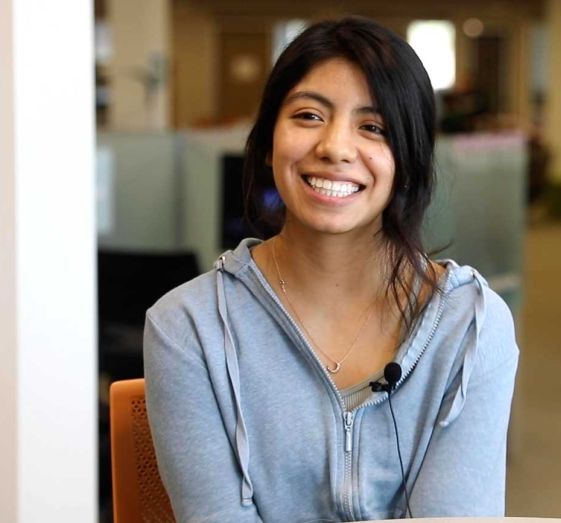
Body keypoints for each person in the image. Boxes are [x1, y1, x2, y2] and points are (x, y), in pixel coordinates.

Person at [144, 17, 519, 522]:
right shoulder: (190, 327)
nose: (336, 148)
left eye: (373, 127)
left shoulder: (470, 324)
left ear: (407, 158)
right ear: (268, 136)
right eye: (308, 116)